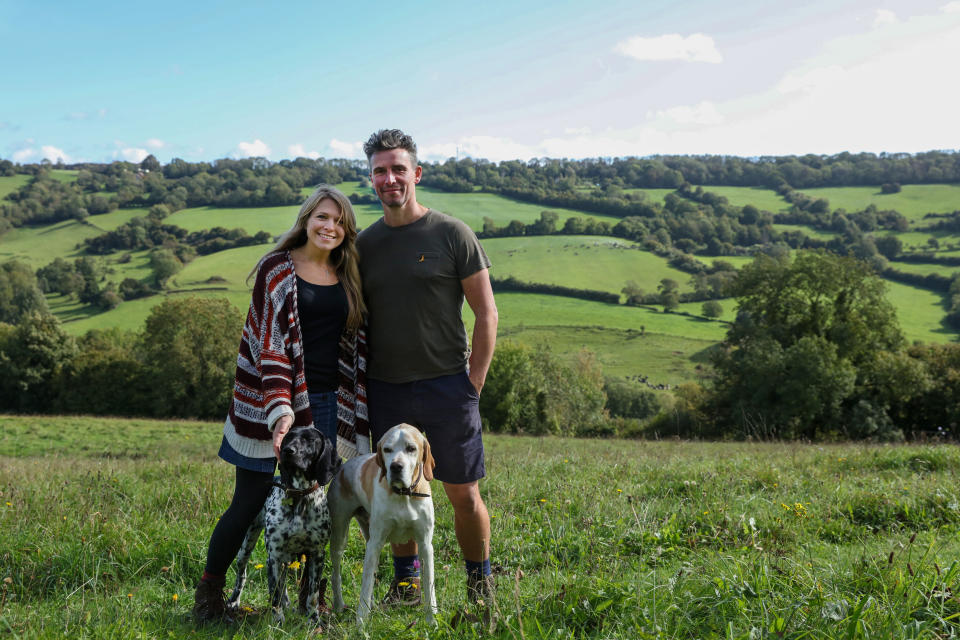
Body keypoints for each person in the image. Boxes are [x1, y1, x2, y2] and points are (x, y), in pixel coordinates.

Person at [192, 184, 369, 624]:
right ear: (306, 220)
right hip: (264, 405)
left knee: (316, 504)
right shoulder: (277, 270)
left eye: (340, 221)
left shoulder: (348, 275)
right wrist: (280, 411)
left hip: (328, 403)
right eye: (322, 217)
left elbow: (356, 340)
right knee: (248, 502)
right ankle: (209, 597)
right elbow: (269, 346)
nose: (330, 227)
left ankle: (314, 602)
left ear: (348, 231)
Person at [356, 129, 499, 622]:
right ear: (371, 178)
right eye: (380, 170)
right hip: (386, 387)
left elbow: (486, 312)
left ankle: (481, 588)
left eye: (398, 168)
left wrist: (472, 385)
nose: (389, 178)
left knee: (462, 491)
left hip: (446, 385)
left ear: (416, 174)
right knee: (396, 487)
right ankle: (407, 584)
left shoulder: (451, 233)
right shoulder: (364, 246)